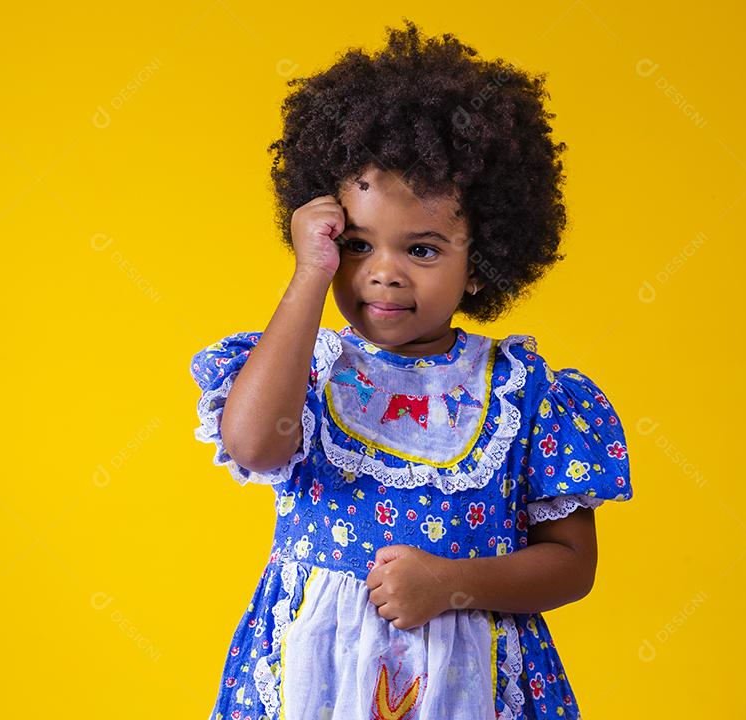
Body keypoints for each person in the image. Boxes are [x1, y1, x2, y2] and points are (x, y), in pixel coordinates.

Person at [189, 19, 634, 720]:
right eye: (358, 245)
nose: (384, 274)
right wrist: (310, 275)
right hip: (314, 679)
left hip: (470, 684)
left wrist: (453, 584)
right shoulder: (304, 369)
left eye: (422, 250)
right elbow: (251, 444)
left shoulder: (529, 395)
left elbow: (573, 564)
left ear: (481, 262)